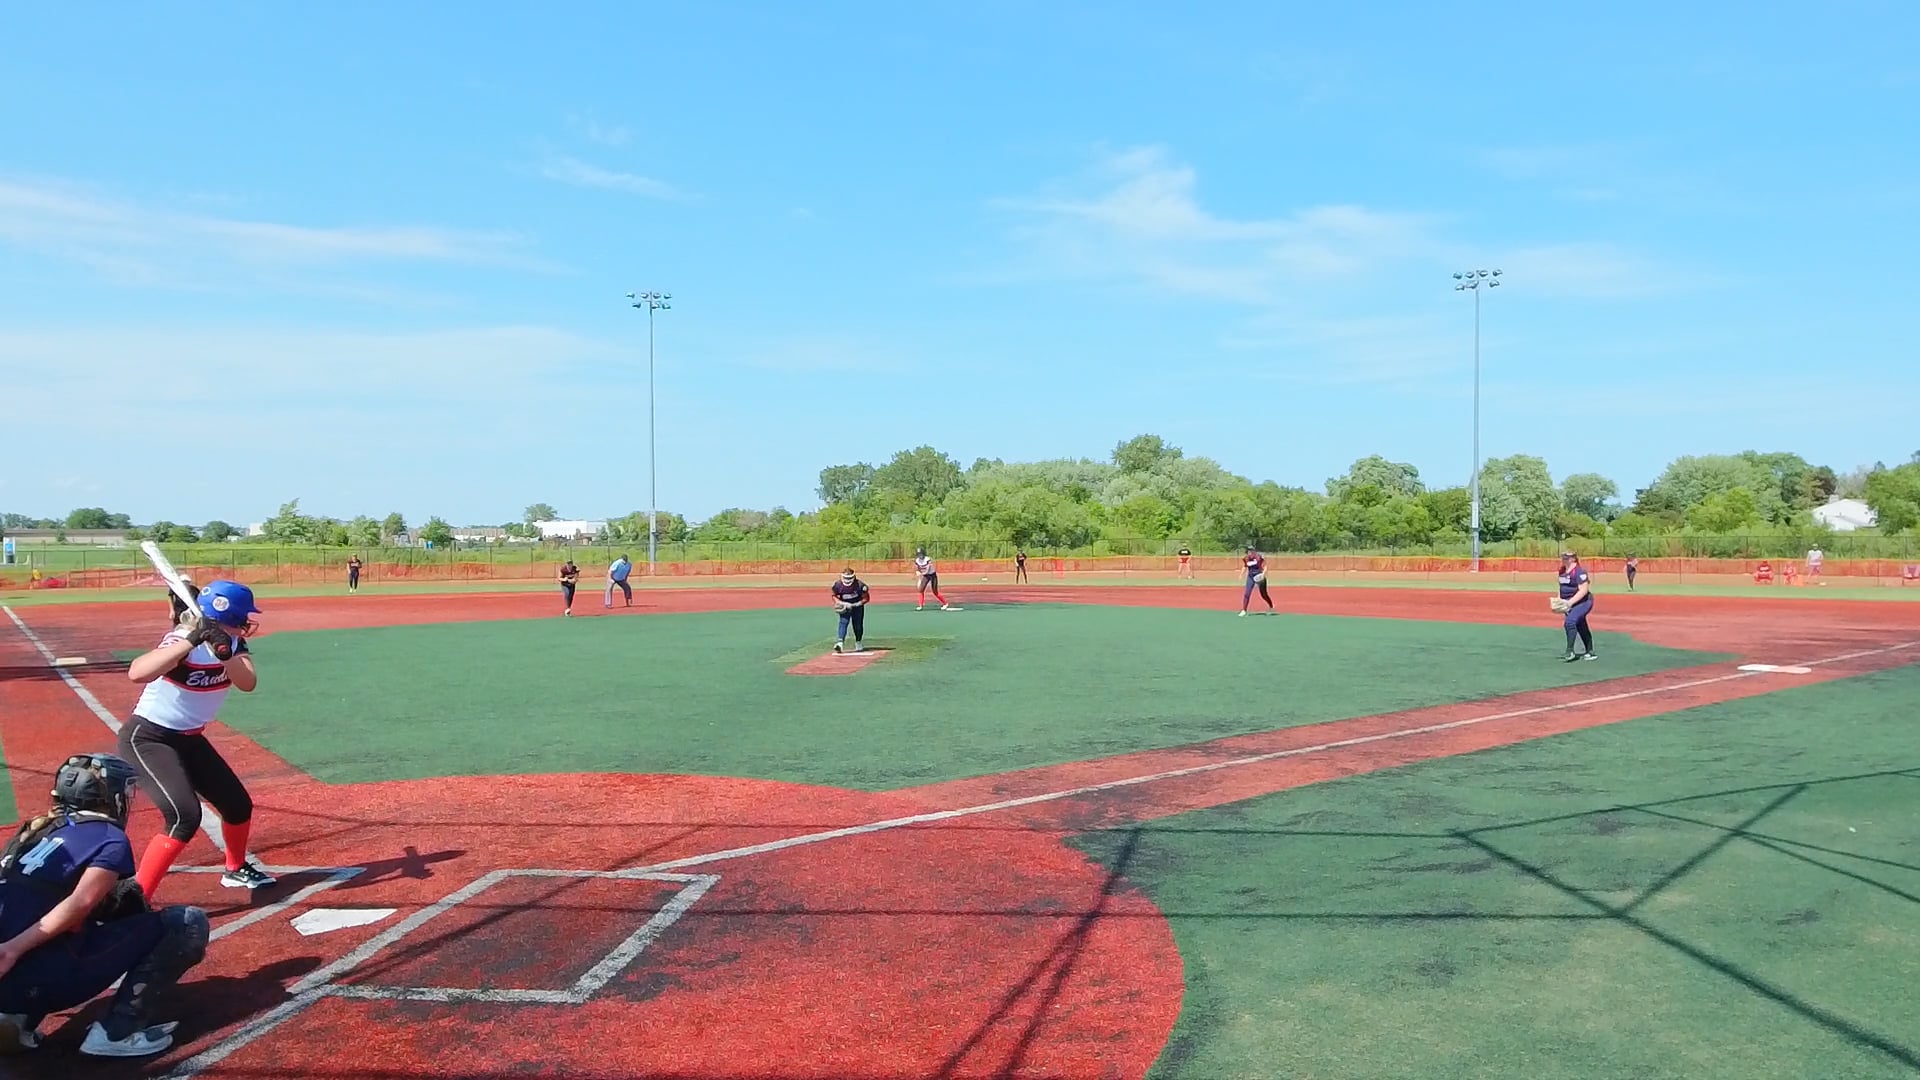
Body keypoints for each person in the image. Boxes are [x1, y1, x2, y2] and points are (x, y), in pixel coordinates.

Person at [0, 753, 211, 1058]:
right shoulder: (109, 837)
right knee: (186, 923)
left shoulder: (31, 833)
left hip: (5, 974)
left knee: (45, 912)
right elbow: (81, 902)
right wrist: (13, 949)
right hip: (38, 974)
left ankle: (16, 1018)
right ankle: (117, 1033)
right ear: (110, 797)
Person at [119, 579, 278, 899]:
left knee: (237, 805)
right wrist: (193, 639)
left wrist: (224, 652)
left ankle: (235, 869)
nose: (246, 624)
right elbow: (137, 672)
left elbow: (247, 682)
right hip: (149, 738)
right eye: (242, 618)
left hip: (190, 740)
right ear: (228, 617)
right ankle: (136, 898)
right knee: (184, 816)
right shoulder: (180, 640)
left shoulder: (232, 644)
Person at [1557, 550, 1597, 661]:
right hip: (1569, 603)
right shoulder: (1562, 570)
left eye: (1567, 557)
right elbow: (1561, 588)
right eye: (1563, 557)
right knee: (1581, 625)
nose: (1564, 559)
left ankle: (1570, 651)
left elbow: (1583, 590)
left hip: (1583, 602)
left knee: (1570, 622)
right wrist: (1559, 601)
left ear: (1573, 559)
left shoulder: (1579, 572)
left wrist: (1570, 603)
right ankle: (1590, 651)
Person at [830, 568, 870, 653]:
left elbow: (866, 598)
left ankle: (858, 642)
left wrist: (856, 604)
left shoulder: (860, 585)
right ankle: (840, 643)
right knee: (843, 622)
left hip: (857, 607)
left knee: (858, 625)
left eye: (849, 578)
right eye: (845, 577)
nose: (847, 580)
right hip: (845, 607)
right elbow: (834, 596)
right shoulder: (837, 585)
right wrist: (841, 603)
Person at [1239, 545, 1274, 616]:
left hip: (1259, 576)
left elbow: (1265, 566)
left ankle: (1271, 606)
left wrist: (1263, 574)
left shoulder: (1258, 557)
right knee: (1247, 593)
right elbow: (1245, 566)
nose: (1249, 552)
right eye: (1248, 550)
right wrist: (1241, 574)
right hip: (1251, 577)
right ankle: (1244, 610)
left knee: (1263, 594)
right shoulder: (1246, 558)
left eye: (1251, 550)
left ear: (1254, 551)